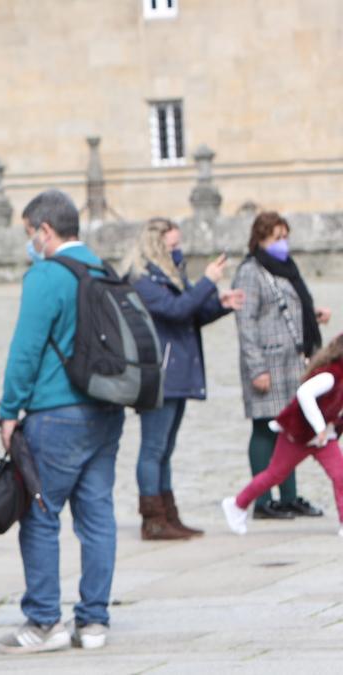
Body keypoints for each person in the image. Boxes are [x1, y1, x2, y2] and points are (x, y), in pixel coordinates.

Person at [0, 189, 124, 654]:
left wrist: (10, 411)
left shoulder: (46, 275)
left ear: (45, 230)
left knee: (41, 515)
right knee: (98, 516)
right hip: (107, 410)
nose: (30, 242)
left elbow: (26, 350)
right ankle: (93, 622)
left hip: (56, 413)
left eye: (30, 233)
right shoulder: (101, 269)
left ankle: (45, 621)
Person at [125, 218, 243, 540]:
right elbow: (175, 310)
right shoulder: (142, 280)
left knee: (166, 448)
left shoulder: (170, 276)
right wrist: (207, 282)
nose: (178, 252)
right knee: (153, 448)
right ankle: (153, 518)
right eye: (173, 246)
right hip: (158, 373)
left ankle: (168, 514)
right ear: (155, 245)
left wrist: (221, 304)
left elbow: (192, 312)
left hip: (177, 371)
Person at [232, 211, 332, 520]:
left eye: (285, 237)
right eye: (277, 238)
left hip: (293, 363)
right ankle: (262, 500)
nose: (282, 243)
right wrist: (256, 368)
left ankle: (289, 496)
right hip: (268, 363)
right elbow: (246, 322)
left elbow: (285, 309)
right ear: (260, 239)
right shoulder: (251, 271)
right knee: (265, 427)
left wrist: (312, 315)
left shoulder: (286, 269)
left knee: (290, 429)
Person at [223, 333, 343, 537]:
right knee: (275, 474)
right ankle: (237, 504)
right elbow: (304, 393)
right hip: (297, 433)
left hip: (324, 437)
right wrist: (318, 426)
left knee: (340, 475)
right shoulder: (330, 375)